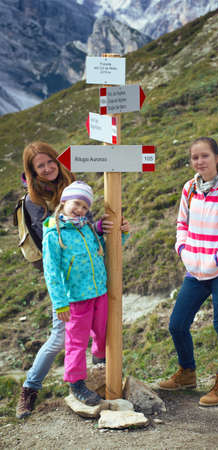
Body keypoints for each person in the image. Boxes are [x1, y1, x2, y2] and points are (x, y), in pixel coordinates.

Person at [16, 141, 113, 418]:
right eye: (40, 166)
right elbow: (52, 245)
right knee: (62, 337)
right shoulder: (34, 200)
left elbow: (87, 230)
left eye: (50, 162)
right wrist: (59, 298)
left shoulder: (71, 185)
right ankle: (30, 389)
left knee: (89, 330)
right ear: (32, 172)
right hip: (67, 285)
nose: (47, 169)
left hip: (90, 281)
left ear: (57, 161)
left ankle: (95, 371)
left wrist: (99, 229)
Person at [158, 137, 218, 406]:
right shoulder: (189, 188)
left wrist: (216, 259)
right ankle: (187, 374)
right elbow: (181, 225)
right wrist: (184, 251)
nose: (199, 161)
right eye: (195, 157)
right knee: (177, 324)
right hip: (195, 271)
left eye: (205, 156)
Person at [42, 181, 129, 405]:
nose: (80, 209)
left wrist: (122, 235)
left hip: (100, 292)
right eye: (76, 203)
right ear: (63, 202)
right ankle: (76, 382)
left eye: (84, 206)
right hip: (76, 299)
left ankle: (100, 362)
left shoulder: (87, 228)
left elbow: (103, 248)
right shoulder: (54, 234)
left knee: (103, 331)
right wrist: (59, 303)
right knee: (77, 341)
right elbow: (51, 272)